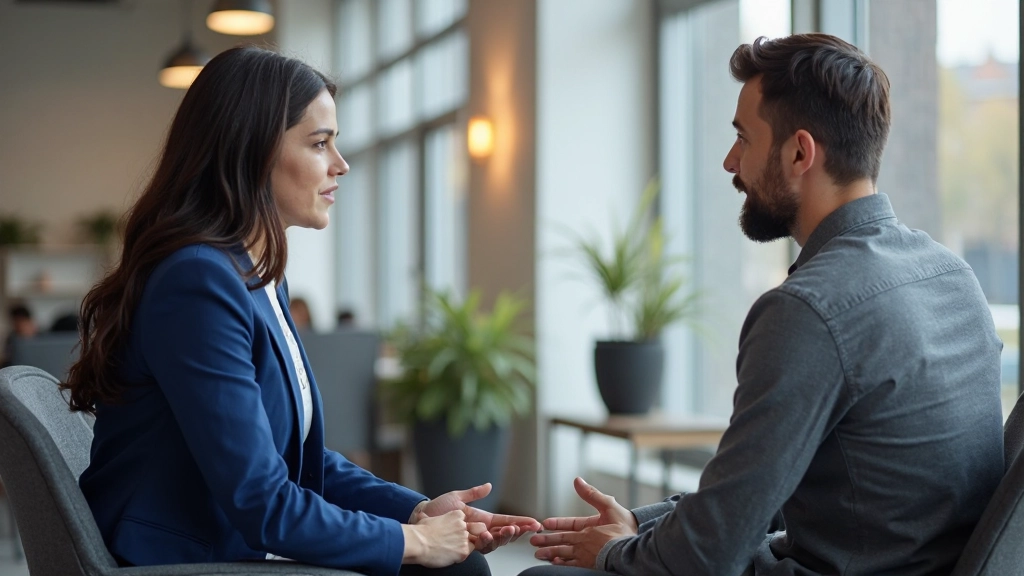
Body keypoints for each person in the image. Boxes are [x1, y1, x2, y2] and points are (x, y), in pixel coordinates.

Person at [526, 34, 1003, 576]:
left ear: (800, 152)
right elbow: (769, 488)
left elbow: (706, 557)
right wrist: (641, 523)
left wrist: (613, 551)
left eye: (742, 138)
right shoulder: (952, 276)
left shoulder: (808, 311)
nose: (731, 162)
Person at [62, 46, 540, 575]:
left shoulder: (255, 274)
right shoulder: (198, 278)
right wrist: (416, 542)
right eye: (320, 143)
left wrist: (416, 510)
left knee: (455, 566)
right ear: (252, 151)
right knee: (448, 568)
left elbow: (298, 466)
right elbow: (262, 500)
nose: (341, 164)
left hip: (225, 545)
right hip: (177, 560)